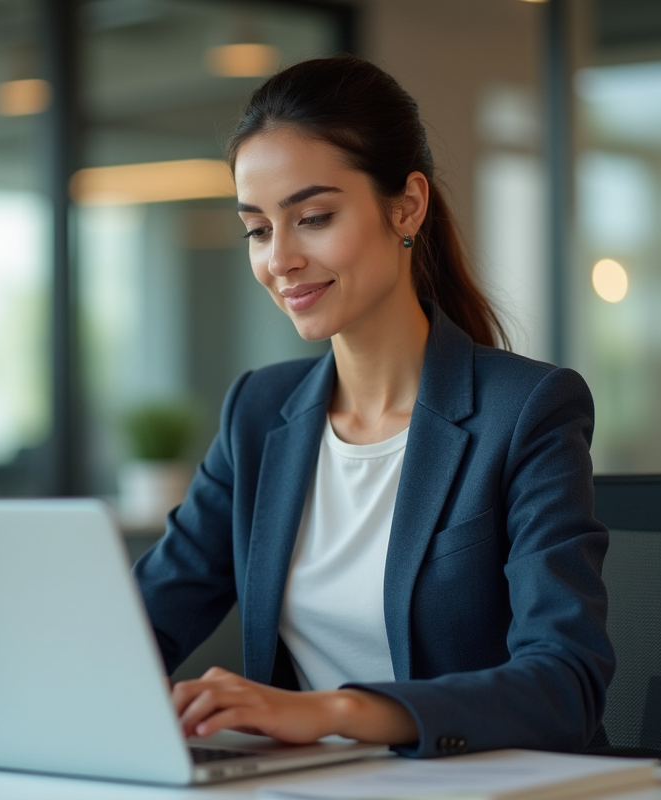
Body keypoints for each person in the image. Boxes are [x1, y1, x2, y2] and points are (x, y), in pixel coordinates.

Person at [133, 56, 615, 758]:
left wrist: (330, 711)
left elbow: (565, 684)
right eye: (258, 230)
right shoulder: (258, 414)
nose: (281, 259)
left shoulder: (526, 411)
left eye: (314, 217)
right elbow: (137, 623)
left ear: (407, 206)